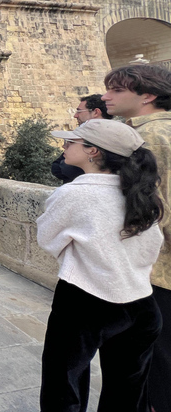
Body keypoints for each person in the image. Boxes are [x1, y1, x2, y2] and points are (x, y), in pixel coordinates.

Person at [37, 119, 164, 412]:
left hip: (85, 300)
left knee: (63, 387)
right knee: (127, 394)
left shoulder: (75, 193)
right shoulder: (140, 193)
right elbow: (152, 245)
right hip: (141, 303)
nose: (64, 147)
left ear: (93, 151)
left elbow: (48, 239)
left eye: (71, 142)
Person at [101, 64, 171, 411]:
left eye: (115, 90)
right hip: (155, 271)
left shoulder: (152, 137)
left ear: (148, 95)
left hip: (154, 272)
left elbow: (157, 209)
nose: (105, 96)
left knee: (150, 366)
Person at [51, 94, 113, 184]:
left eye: (79, 111)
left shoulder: (110, 138)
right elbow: (56, 167)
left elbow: (64, 167)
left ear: (96, 112)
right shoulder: (82, 133)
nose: (75, 116)